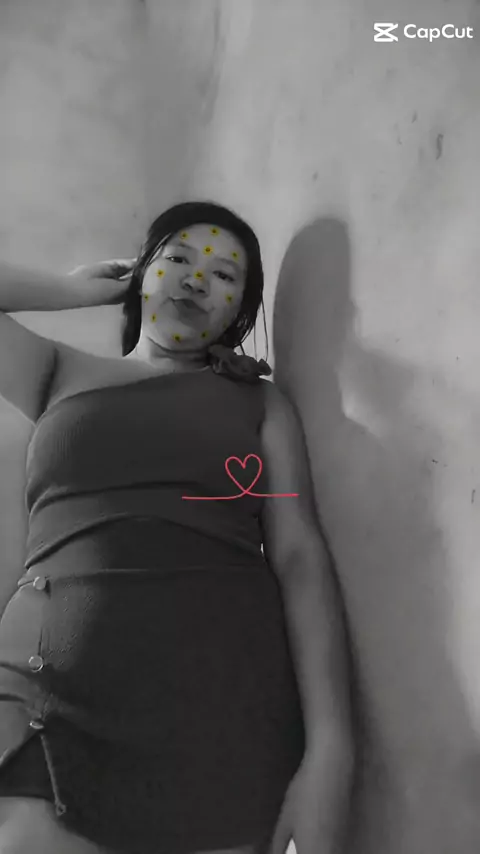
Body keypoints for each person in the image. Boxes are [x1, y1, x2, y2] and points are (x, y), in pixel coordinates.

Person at [0, 201, 353, 854]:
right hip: (47, 701)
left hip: (220, 714)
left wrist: (332, 746)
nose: (195, 280)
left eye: (224, 276)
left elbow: (299, 557)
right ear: (142, 273)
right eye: (178, 259)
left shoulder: (258, 403)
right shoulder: (57, 372)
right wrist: (78, 290)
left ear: (239, 312)